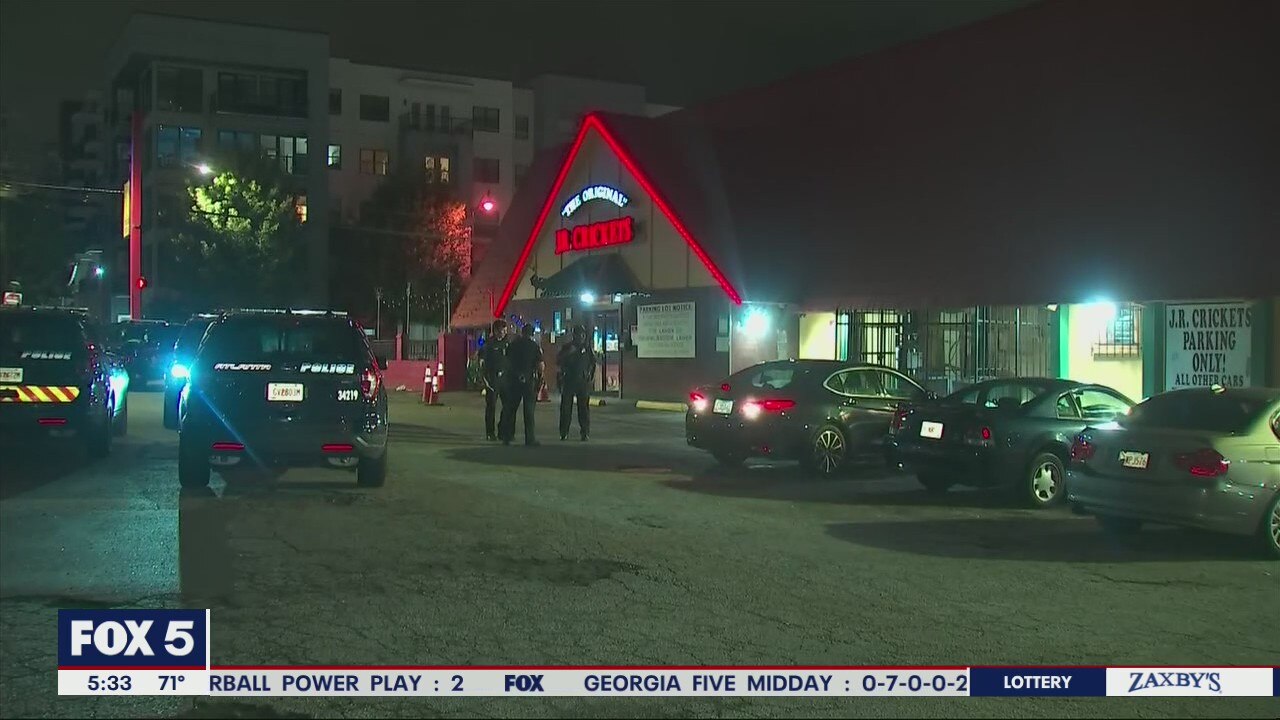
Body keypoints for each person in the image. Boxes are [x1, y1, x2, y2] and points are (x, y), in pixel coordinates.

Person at [500, 323, 544, 446]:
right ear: (532, 334)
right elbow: (540, 365)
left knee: (511, 409)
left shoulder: (513, 345)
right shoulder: (534, 346)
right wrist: (540, 379)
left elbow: (506, 362)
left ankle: (507, 436)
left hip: (513, 380)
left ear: (522, 332)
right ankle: (530, 439)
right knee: (529, 411)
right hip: (529, 381)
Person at [557, 324, 596, 441]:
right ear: (574, 335)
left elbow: (593, 363)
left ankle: (585, 432)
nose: (581, 337)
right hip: (569, 380)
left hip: (582, 381)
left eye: (583, 335)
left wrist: (590, 376)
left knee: (583, 408)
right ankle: (564, 432)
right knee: (566, 408)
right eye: (579, 335)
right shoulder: (567, 347)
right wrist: (569, 353)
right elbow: (558, 361)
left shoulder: (587, 348)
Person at [478, 320, 509, 441]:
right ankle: (490, 432)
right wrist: (484, 379)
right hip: (492, 379)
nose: (503, 333)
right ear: (495, 331)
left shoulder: (507, 343)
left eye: (505, 331)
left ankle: (503, 430)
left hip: (505, 379)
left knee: (507, 406)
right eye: (501, 331)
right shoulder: (489, 344)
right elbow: (481, 362)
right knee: (491, 407)